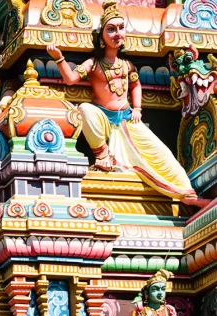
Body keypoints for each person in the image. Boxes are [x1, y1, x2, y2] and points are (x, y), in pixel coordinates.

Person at [46, 0, 206, 206]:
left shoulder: (127, 65)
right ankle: (103, 155)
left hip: (128, 120)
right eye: (111, 29)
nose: (117, 34)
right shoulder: (93, 64)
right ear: (102, 36)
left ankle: (187, 196)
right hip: (103, 118)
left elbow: (136, 85)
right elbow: (70, 79)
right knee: (84, 109)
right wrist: (59, 58)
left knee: (163, 156)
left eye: (121, 28)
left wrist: (138, 108)